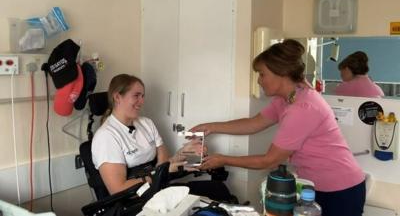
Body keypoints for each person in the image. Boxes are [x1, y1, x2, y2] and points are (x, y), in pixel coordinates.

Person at [190, 40, 366, 216]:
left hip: (340, 190)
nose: (259, 81)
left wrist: (223, 159)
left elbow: (269, 161)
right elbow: (253, 123)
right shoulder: (287, 98)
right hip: (315, 186)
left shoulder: (302, 109)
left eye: (262, 74)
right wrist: (210, 126)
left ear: (281, 73)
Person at [92, 74, 203, 195]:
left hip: (158, 189)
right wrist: (162, 173)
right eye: (136, 96)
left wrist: (182, 154)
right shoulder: (106, 136)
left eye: (143, 96)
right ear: (118, 97)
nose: (142, 101)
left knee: (215, 190)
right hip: (134, 200)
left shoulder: (146, 123)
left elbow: (163, 164)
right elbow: (118, 189)